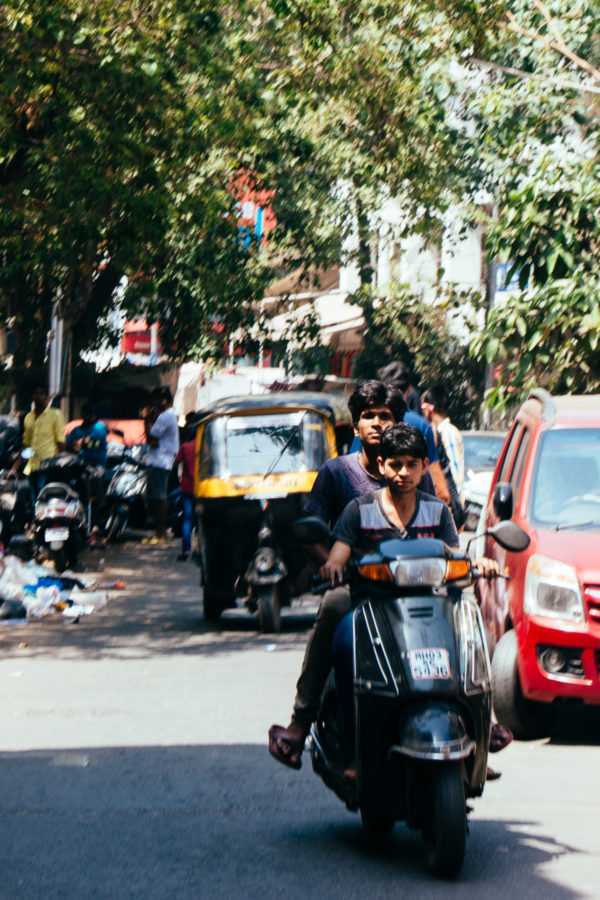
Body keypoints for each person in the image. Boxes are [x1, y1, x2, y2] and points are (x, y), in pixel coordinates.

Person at [269, 423, 503, 772]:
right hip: (370, 601)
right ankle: (304, 722)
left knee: (471, 625)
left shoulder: (437, 512)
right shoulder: (359, 510)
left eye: (411, 464)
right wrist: (333, 567)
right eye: (395, 464)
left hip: (430, 602)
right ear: (381, 466)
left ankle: (484, 726)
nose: (403, 472)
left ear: (425, 466)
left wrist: (477, 564)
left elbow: (454, 555)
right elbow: (339, 553)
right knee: (335, 609)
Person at [144, 387, 179, 544]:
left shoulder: (165, 416)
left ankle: (161, 534)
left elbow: (151, 438)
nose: (155, 403)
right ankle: (159, 532)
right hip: (159, 460)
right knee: (155, 497)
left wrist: (146, 420)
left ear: (165, 401)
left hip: (160, 461)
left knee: (159, 498)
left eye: (158, 400)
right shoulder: (166, 416)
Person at [17, 386, 65, 497]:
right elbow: (27, 445)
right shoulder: (28, 417)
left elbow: (61, 443)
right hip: (31, 466)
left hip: (48, 466)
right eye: (35, 393)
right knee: (30, 496)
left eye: (41, 393)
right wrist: (15, 467)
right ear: (32, 397)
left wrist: (60, 465)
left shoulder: (55, 414)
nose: (38, 396)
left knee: (42, 494)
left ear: (47, 398)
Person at [421, 385, 465, 499]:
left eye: (423, 406)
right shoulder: (440, 431)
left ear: (430, 408)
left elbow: (455, 468)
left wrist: (456, 498)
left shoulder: (447, 432)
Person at [174, 432, 195, 562]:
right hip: (204, 488)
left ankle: (186, 550)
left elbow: (176, 461)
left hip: (187, 488)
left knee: (187, 519)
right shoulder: (206, 444)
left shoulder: (185, 447)